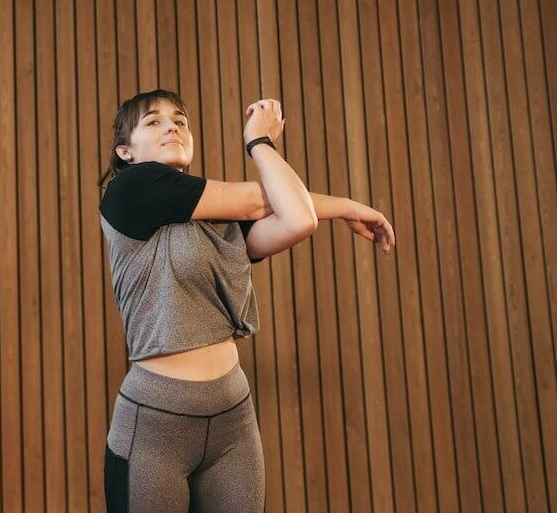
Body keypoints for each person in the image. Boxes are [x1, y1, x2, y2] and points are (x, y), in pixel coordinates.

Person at [99, 89, 394, 513]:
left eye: (180, 121)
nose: (172, 127)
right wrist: (259, 142)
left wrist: (348, 207)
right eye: (154, 122)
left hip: (231, 420)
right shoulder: (129, 189)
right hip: (156, 424)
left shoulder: (215, 218)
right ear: (125, 151)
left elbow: (297, 217)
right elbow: (261, 201)